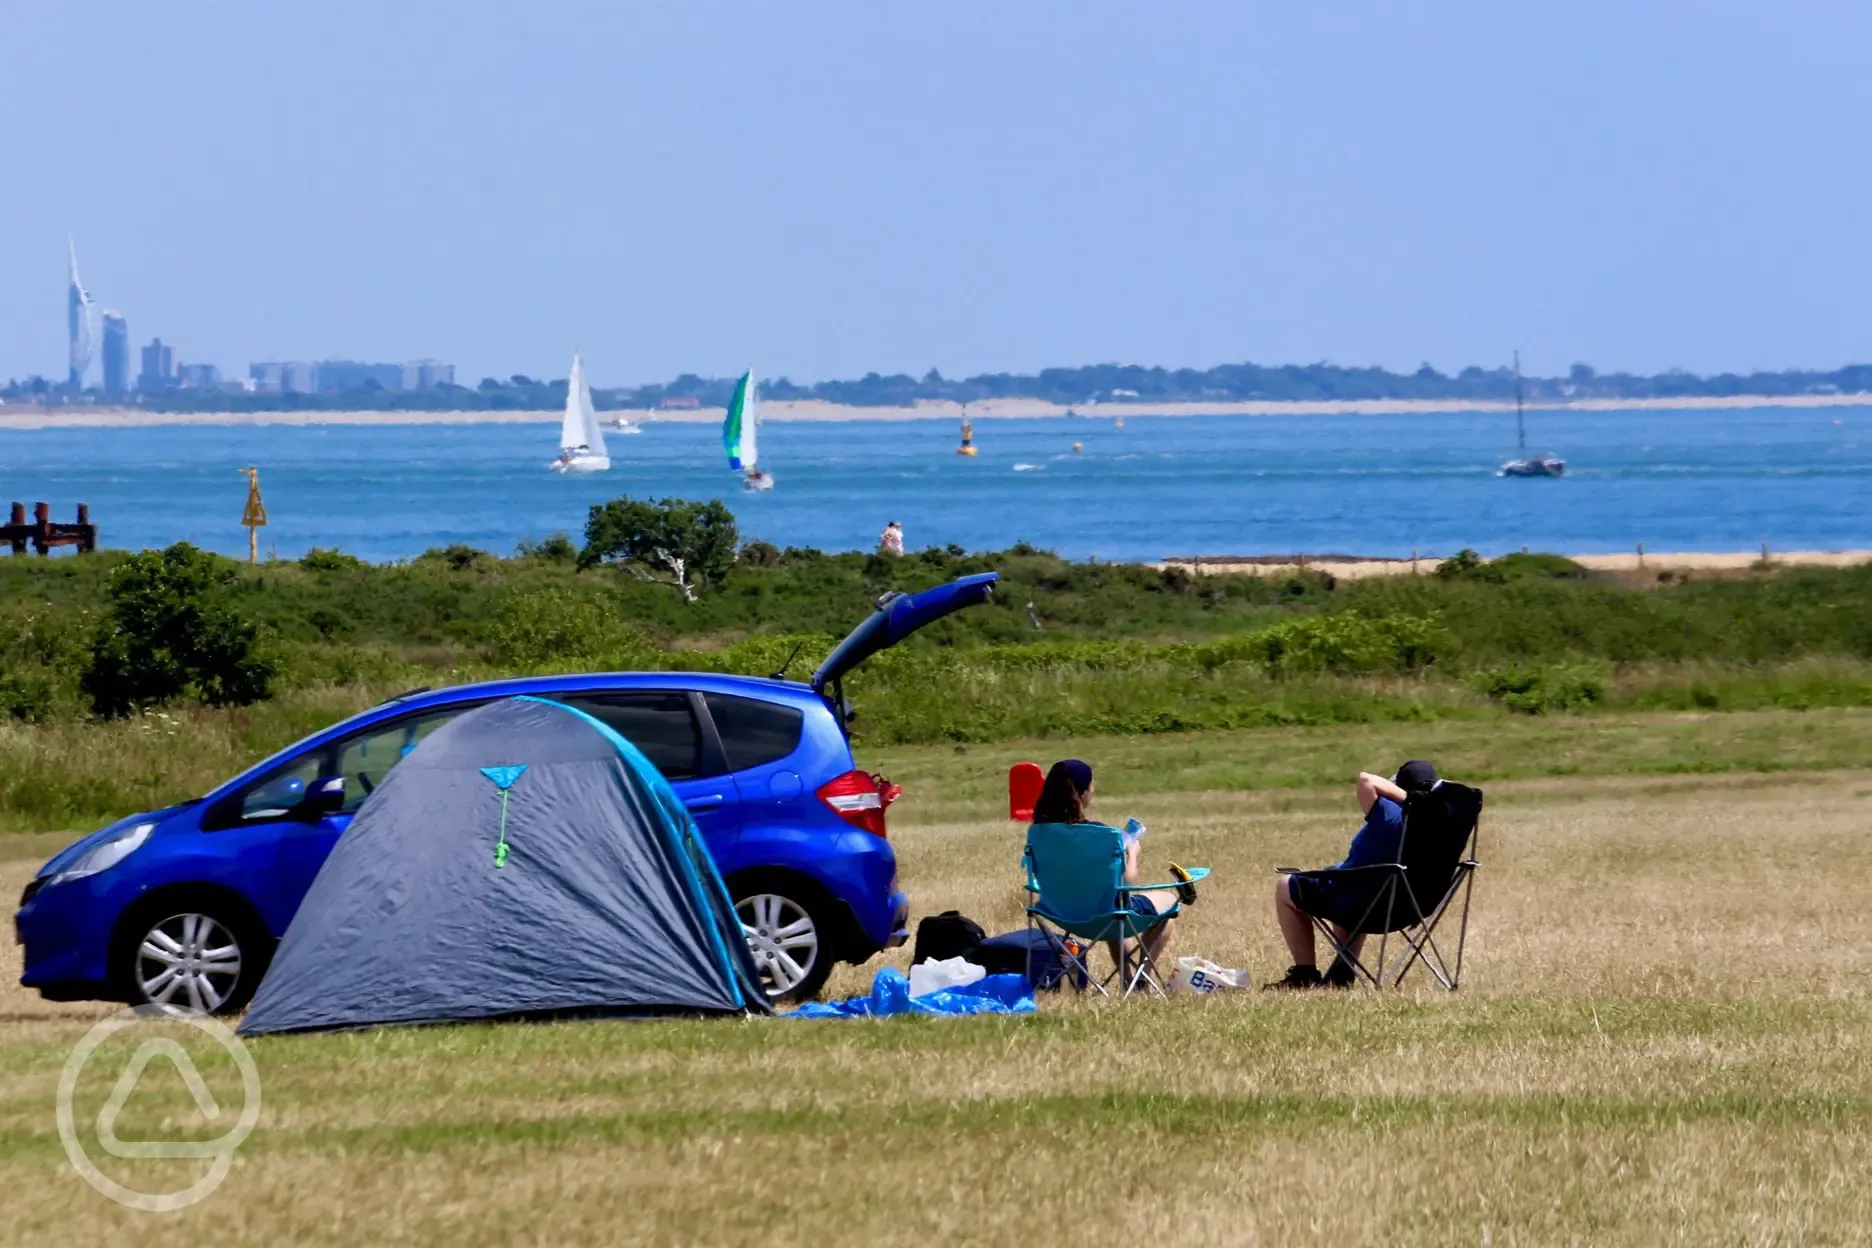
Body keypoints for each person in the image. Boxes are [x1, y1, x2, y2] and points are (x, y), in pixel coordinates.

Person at [1268, 759, 1440, 989]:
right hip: (1408, 908)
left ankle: (1305, 973)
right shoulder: (1437, 824)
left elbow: (1365, 779)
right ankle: (1342, 971)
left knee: (1285, 886)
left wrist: (1409, 799)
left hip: (1364, 904)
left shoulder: (1390, 812)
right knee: (1350, 879)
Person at [1027, 759, 1194, 974]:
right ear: (1083, 792)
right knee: (1167, 903)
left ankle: (1128, 977)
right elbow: (1127, 881)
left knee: (1112, 906)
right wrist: (1132, 853)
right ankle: (1141, 978)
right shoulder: (1103, 835)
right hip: (1104, 914)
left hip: (1060, 912)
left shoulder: (1038, 833)